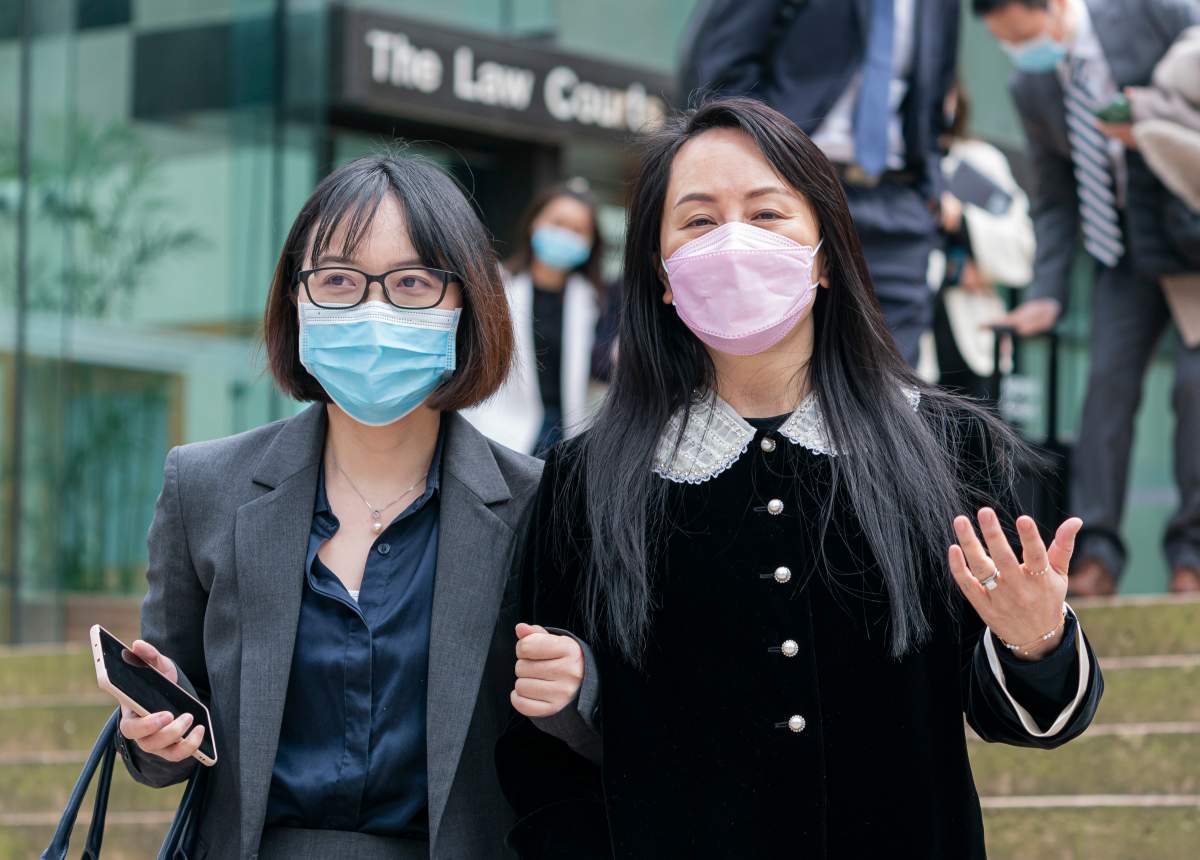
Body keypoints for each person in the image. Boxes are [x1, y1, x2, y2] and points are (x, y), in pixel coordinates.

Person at [495, 98, 1103, 860]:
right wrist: (575, 693)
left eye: (767, 212)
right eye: (698, 221)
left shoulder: (949, 449)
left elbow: (1020, 720)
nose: (735, 241)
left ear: (823, 254)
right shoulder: (585, 481)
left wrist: (1036, 642)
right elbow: (538, 766)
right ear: (662, 277)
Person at [114, 154, 541, 859]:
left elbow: (572, 743)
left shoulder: (538, 504)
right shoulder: (204, 485)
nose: (373, 308)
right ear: (295, 299)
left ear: (468, 304)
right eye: (339, 280)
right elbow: (167, 746)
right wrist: (157, 738)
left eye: (411, 282)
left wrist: (579, 688)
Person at [975, 0, 1200, 595]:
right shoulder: (1032, 86)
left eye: (1020, 36)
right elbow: (1055, 200)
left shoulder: (1148, 13)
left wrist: (1147, 119)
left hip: (1190, 240)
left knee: (1194, 390)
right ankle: (1096, 555)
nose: (1017, 53)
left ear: (1048, 9)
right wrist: (1046, 293)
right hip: (1122, 256)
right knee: (1105, 392)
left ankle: (1192, 560)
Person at [682, 0, 962, 366]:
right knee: (767, 364)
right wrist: (753, 170)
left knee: (891, 383)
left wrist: (931, 184)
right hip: (788, 186)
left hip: (896, 202)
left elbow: (936, 91)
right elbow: (719, 69)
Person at [464, 181, 603, 456]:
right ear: (533, 224)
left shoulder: (595, 300)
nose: (566, 235)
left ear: (590, 243)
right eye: (557, 223)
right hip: (500, 430)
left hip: (568, 436)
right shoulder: (496, 287)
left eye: (578, 230)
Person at [933, 81, 1035, 397]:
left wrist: (959, 218)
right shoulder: (882, 165)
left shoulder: (979, 160)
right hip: (902, 340)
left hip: (972, 339)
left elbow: (1021, 250)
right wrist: (953, 271)